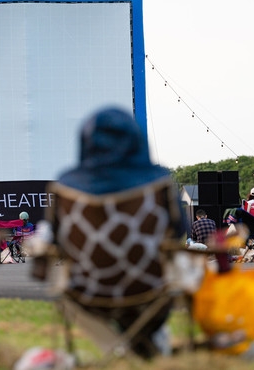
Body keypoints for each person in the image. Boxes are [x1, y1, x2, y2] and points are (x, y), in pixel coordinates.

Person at [39, 106, 187, 359]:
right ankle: (144, 348)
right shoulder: (158, 185)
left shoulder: (64, 189)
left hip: (86, 297)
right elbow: (179, 231)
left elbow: (55, 241)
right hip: (152, 293)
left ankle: (130, 352)